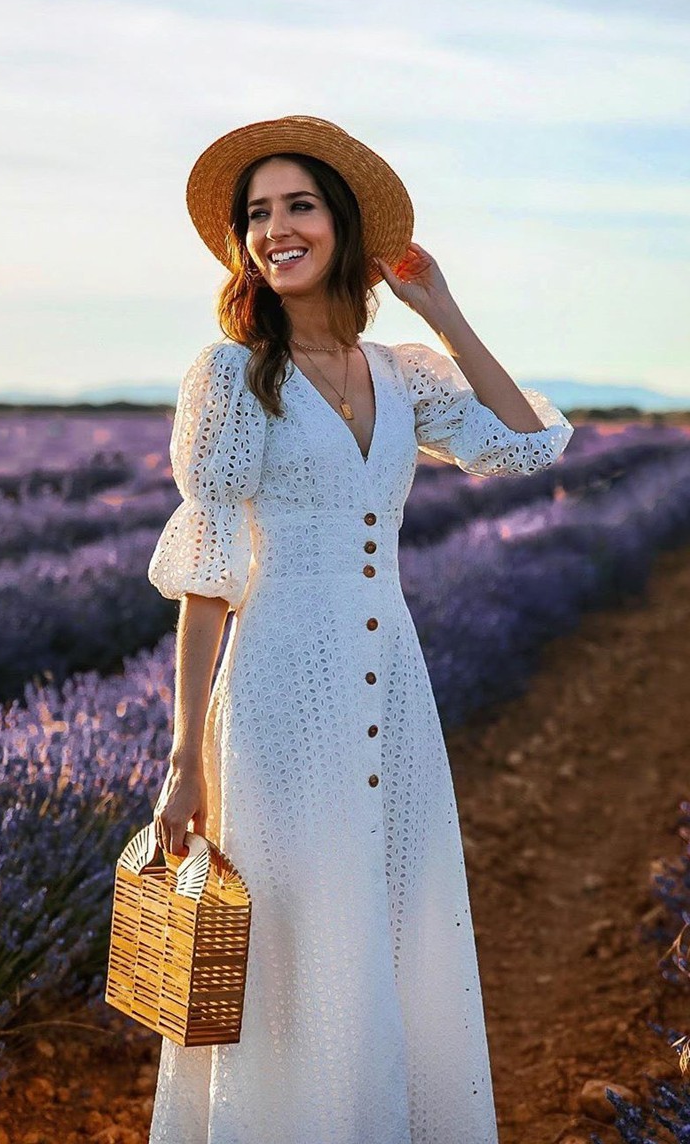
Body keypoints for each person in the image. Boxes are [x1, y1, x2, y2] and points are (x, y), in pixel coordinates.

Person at [146, 115, 574, 1144]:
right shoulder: (232, 373)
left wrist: (444, 308)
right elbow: (208, 576)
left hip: (393, 681)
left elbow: (527, 448)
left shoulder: (402, 372)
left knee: (387, 920)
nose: (274, 229)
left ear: (340, 225)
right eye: (256, 214)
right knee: (292, 934)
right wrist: (185, 756)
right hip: (281, 690)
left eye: (297, 206)